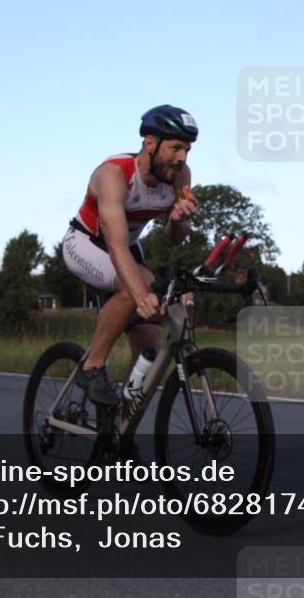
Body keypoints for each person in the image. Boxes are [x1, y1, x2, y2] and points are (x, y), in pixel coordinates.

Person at [62, 105, 198, 407]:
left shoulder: (180, 176)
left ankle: (120, 428)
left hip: (128, 247)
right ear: (150, 142)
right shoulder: (113, 174)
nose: (182, 158)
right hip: (87, 243)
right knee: (132, 287)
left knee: (150, 349)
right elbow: (116, 245)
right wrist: (138, 293)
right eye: (175, 147)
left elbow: (175, 239)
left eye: (187, 149)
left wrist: (177, 220)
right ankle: (91, 366)